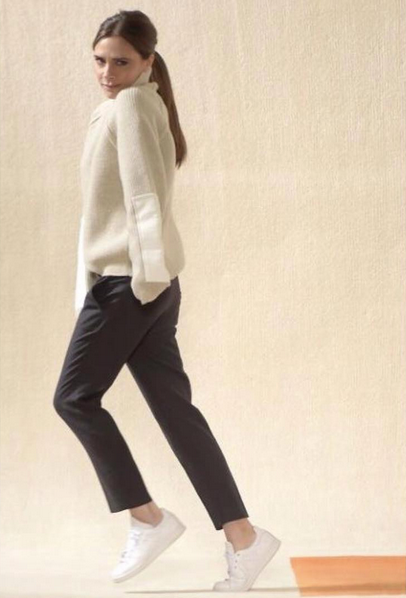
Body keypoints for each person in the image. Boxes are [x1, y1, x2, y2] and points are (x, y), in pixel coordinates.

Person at [52, 9, 281, 592]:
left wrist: (138, 283)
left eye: (121, 62)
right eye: (99, 60)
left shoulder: (130, 105)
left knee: (75, 398)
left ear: (148, 61)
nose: (107, 73)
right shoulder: (144, 101)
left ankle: (148, 518)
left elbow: (143, 197)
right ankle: (245, 538)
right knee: (177, 413)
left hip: (132, 282)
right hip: (150, 283)